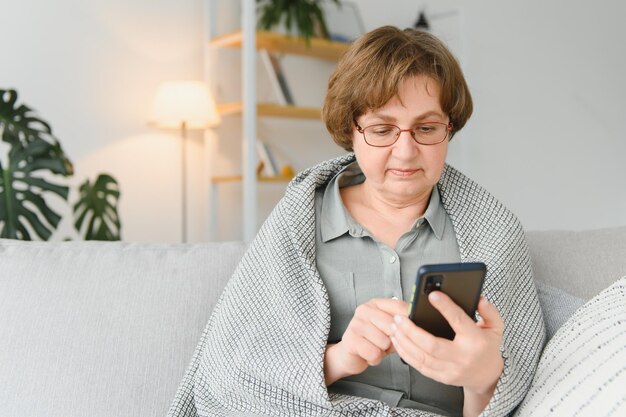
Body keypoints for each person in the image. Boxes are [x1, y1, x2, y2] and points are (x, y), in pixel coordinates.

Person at [168, 26, 545, 417]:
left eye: (427, 128)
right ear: (352, 129)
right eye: (382, 130)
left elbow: (514, 394)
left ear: (450, 128)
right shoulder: (300, 223)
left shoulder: (494, 233)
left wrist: (484, 378)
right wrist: (340, 358)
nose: (406, 151)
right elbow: (234, 373)